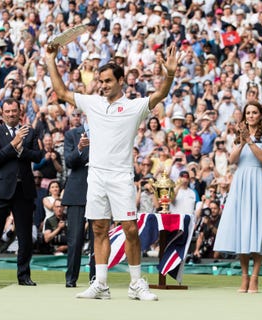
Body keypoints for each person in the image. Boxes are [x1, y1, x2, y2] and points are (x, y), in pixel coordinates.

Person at [45, 42, 178, 301]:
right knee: (98, 229)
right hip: (95, 175)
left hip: (121, 177)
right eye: (100, 81)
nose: (103, 85)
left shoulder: (135, 106)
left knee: (129, 228)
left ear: (120, 81)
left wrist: (170, 73)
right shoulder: (93, 102)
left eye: (107, 81)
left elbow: (160, 94)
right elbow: (60, 91)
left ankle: (136, 283)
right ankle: (101, 284)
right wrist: (50, 59)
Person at [0, 98, 44, 287]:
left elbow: (37, 156)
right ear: (2, 112)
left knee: (25, 235)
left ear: (20, 111)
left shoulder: (30, 131)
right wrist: (14, 143)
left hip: (23, 189)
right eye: (7, 111)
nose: (11, 114)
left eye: (14, 111)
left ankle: (24, 275)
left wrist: (20, 148)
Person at [213, 101, 262, 294]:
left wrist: (248, 139)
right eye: (247, 113)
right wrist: (241, 139)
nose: (250, 116)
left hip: (256, 180)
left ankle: (255, 279)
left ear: (260, 116)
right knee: (241, 229)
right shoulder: (239, 136)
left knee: (256, 230)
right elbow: (232, 160)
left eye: (254, 113)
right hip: (240, 181)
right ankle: (244, 277)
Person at [62, 119, 93, 288]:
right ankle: (71, 278)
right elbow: (69, 161)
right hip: (76, 191)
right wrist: (80, 148)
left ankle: (96, 279)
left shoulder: (105, 131)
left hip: (99, 190)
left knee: (98, 239)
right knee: (75, 239)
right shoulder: (71, 134)